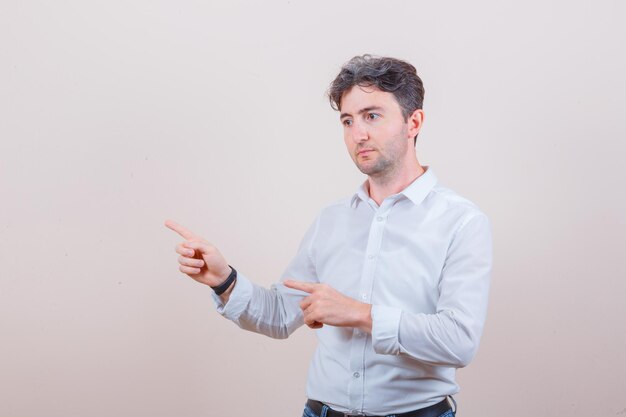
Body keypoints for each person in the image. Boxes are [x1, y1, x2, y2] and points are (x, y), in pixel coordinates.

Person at [165, 54, 492, 417]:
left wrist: (358, 313)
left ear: (413, 122)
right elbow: (279, 315)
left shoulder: (462, 221)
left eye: (372, 116)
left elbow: (459, 341)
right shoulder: (332, 220)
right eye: (347, 121)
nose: (358, 134)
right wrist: (224, 280)